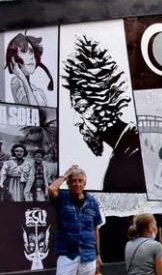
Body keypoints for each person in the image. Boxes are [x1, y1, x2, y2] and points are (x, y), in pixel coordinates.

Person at [62, 40, 146, 192]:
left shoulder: (132, 151)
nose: (76, 121)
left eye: (81, 108)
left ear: (103, 105)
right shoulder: (128, 145)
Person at [5, 32, 54, 107]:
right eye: (24, 52)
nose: (31, 57)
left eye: (31, 52)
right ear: (13, 59)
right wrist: (22, 77)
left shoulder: (39, 92)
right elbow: (32, 111)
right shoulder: (16, 82)